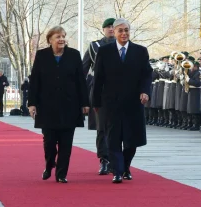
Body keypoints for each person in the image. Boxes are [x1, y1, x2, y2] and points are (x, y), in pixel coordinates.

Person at [92, 18, 153, 183]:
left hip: (133, 102)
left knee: (131, 140)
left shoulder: (140, 51)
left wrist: (145, 92)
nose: (124, 33)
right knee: (112, 138)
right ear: (115, 32)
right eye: (120, 30)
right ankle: (117, 171)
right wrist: (95, 102)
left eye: (126, 30)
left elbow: (146, 74)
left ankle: (126, 166)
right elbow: (98, 78)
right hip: (110, 103)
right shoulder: (104, 51)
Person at [28, 26, 89, 183]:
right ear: (50, 40)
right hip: (47, 106)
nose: (61, 39)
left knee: (66, 142)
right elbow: (35, 80)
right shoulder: (42, 55)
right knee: (49, 142)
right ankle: (49, 165)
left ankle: (61, 174)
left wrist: (85, 103)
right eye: (58, 36)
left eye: (63, 36)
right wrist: (32, 103)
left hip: (70, 105)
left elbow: (81, 81)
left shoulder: (74, 55)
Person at [82, 18, 116, 175]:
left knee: (117, 127)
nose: (111, 29)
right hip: (100, 91)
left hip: (118, 92)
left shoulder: (124, 46)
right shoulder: (94, 46)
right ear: (103, 29)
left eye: (113, 27)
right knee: (101, 127)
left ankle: (117, 160)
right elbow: (83, 69)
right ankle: (104, 159)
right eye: (108, 27)